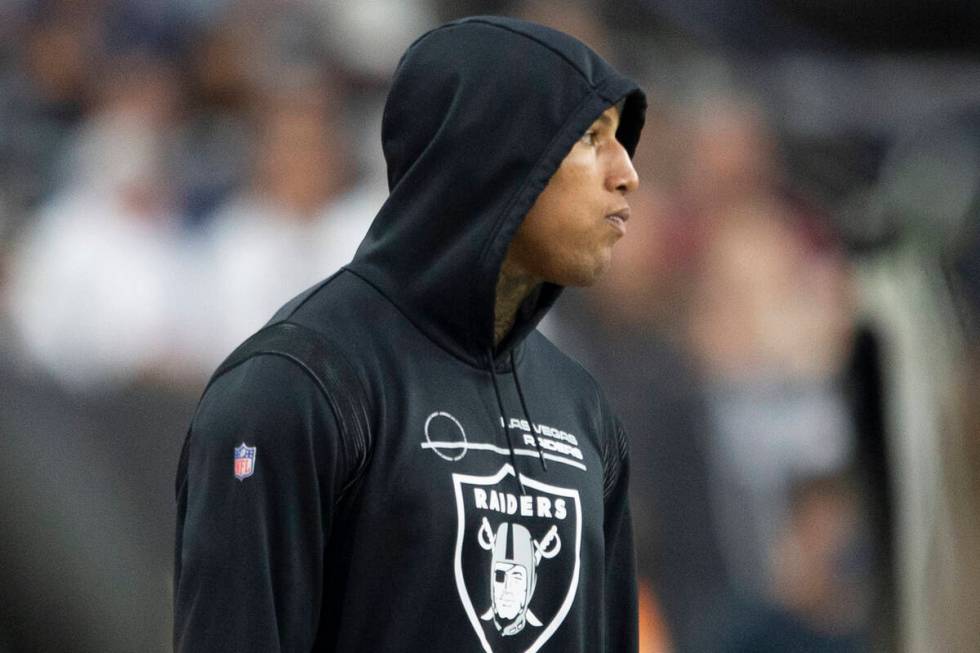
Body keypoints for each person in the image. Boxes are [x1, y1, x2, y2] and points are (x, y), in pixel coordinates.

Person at [173, 15, 644, 652]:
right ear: (494, 156)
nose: (627, 173)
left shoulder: (584, 411)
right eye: (591, 136)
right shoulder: (295, 386)